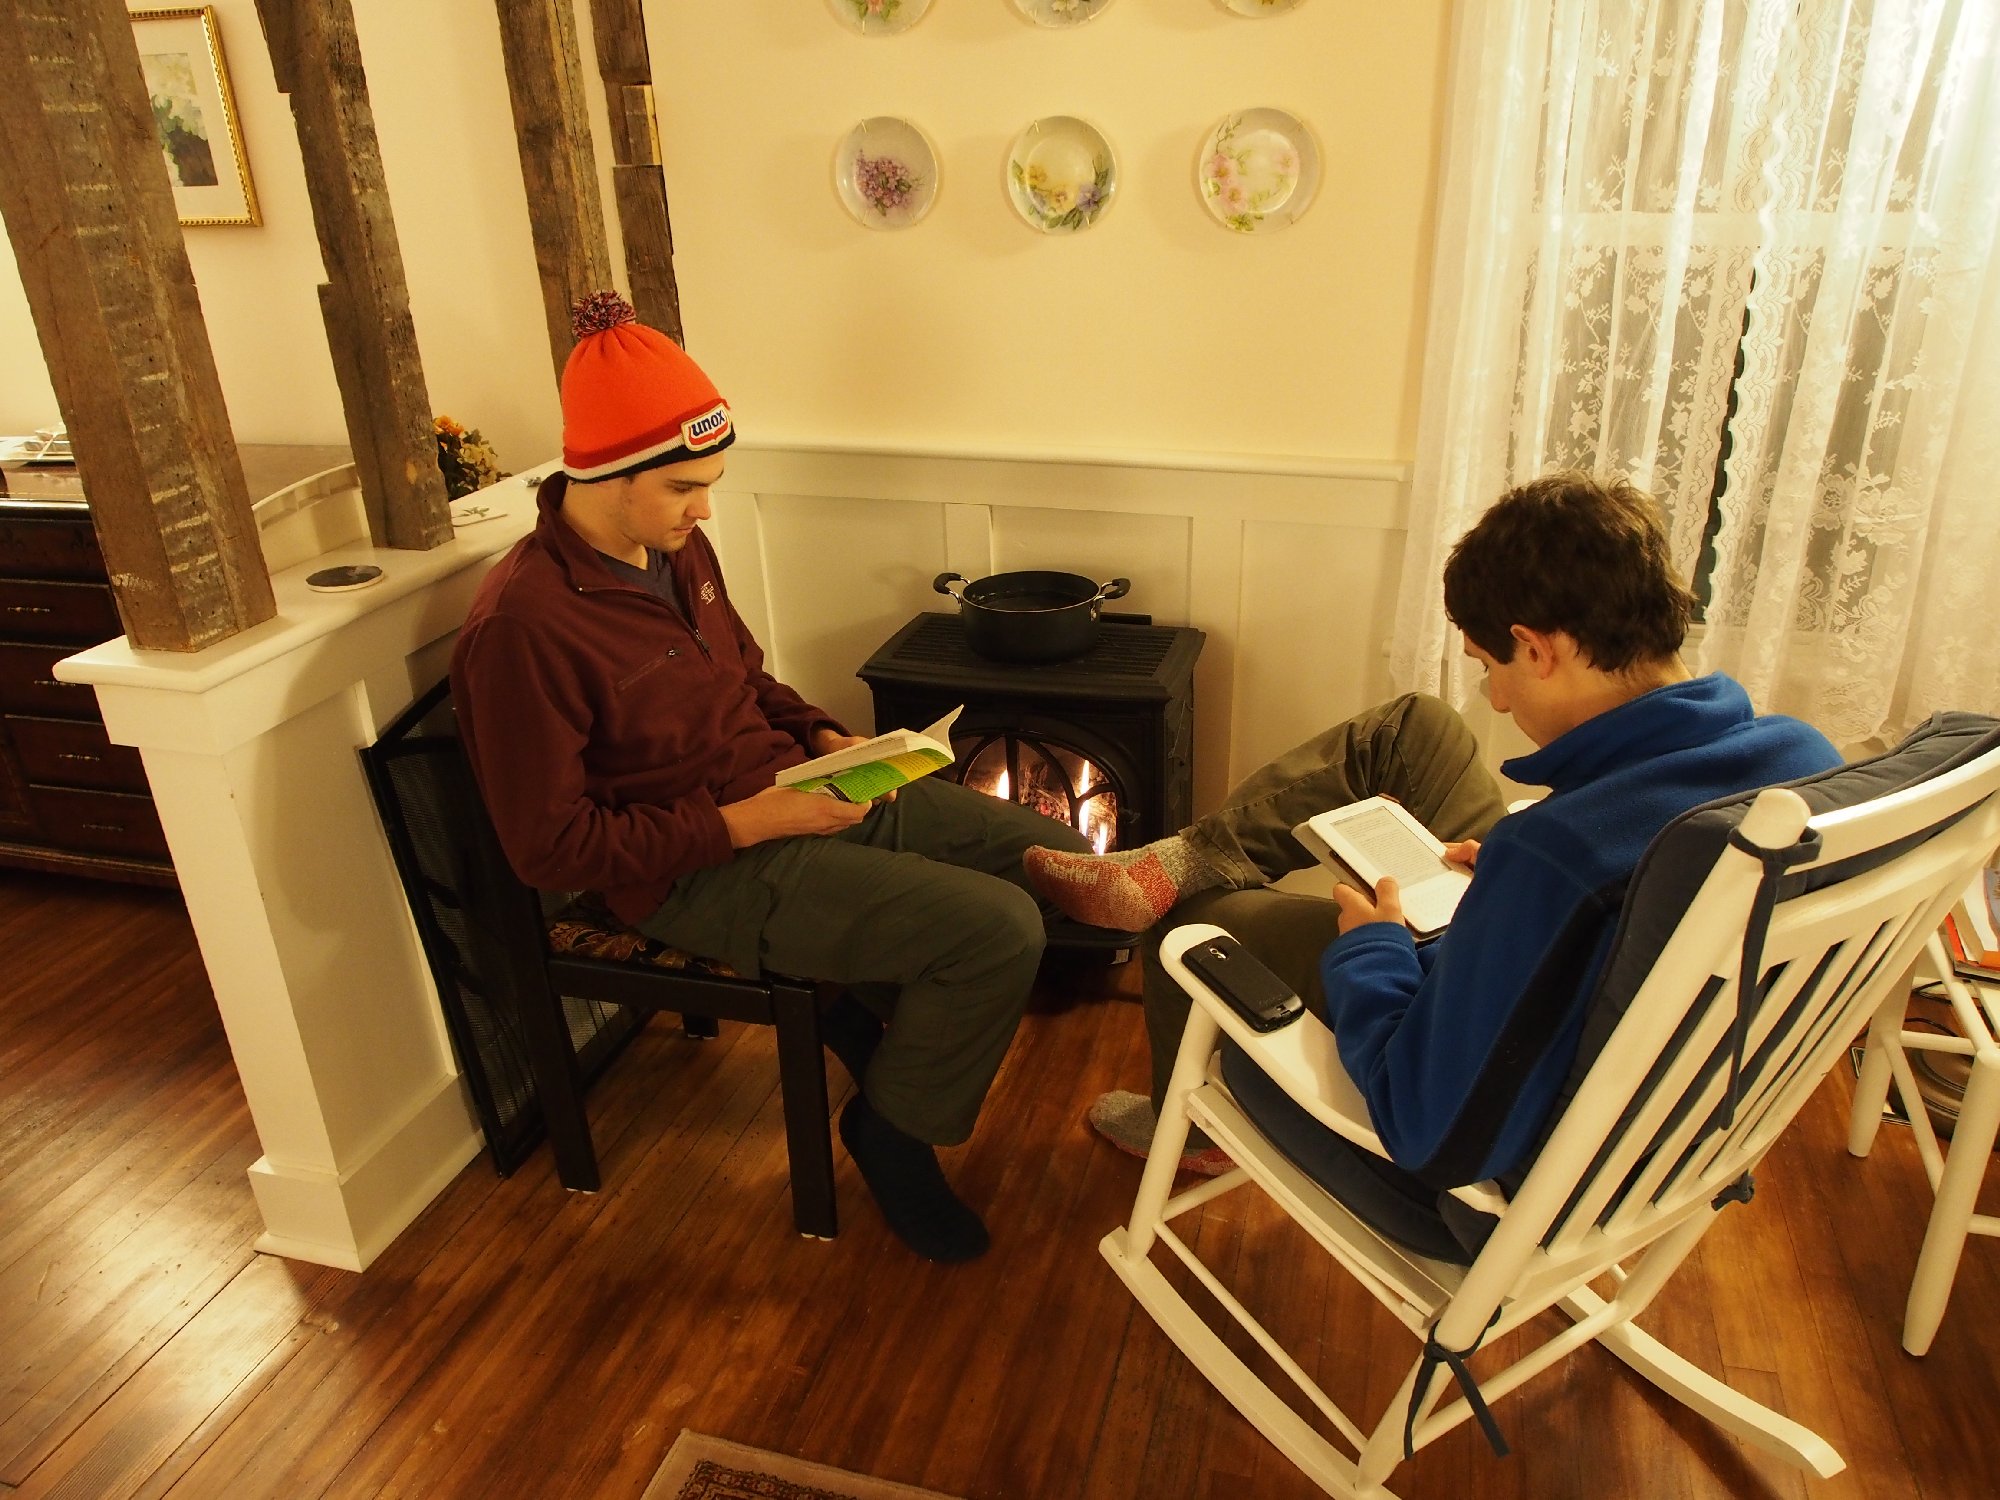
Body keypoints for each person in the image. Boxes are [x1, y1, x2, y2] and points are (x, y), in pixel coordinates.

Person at [1024, 471, 1841, 1260]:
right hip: (1625, 1066)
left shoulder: (1555, 855)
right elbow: (1621, 900)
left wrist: (1373, 948)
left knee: (1202, 926)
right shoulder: (1804, 763)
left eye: (1491, 667)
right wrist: (1510, 891)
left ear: (1537, 648)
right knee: (1416, 729)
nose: (1496, 700)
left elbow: (1424, 1127)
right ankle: (1178, 860)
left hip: (1479, 1189)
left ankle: (1188, 1109)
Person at [452, 291, 1090, 1263]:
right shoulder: (521, 627)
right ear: (606, 472)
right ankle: (891, 1131)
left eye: (710, 483)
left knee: (1053, 855)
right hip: (694, 869)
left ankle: (869, 1019)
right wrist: (745, 824)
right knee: (994, 929)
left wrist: (823, 734)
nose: (705, 508)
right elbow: (550, 849)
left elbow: (743, 677)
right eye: (683, 487)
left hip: (799, 790)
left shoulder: (674, 547)